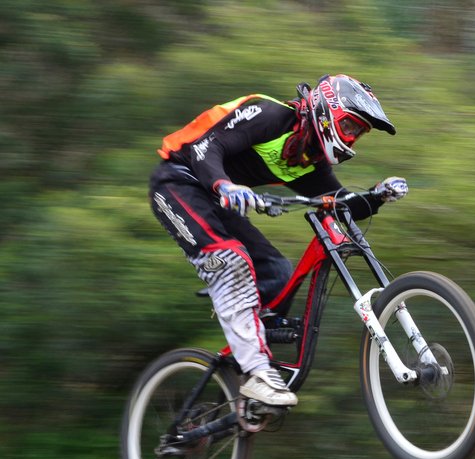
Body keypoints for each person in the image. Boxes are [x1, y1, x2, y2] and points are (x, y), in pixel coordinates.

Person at [149, 74, 408, 407]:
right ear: (328, 110)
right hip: (177, 182)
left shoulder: (305, 160)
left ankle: (245, 368)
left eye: (358, 133)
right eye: (350, 126)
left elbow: (341, 203)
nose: (352, 138)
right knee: (230, 261)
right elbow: (205, 149)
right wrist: (226, 186)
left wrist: (377, 196)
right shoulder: (270, 115)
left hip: (215, 201)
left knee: (277, 273)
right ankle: (257, 371)